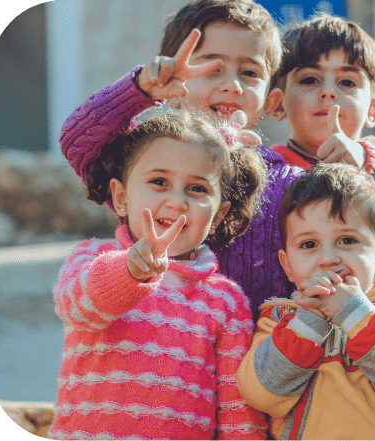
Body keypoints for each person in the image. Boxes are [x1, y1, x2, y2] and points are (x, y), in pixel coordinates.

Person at [60, 0, 301, 318]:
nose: (231, 85)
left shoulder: (289, 183)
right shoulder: (149, 156)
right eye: (213, 69)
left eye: (249, 72)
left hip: (252, 360)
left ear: (271, 101)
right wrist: (143, 89)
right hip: (160, 352)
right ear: (175, 86)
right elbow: (80, 140)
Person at [49, 109, 268, 440]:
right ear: (121, 198)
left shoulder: (226, 302)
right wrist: (131, 271)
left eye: (197, 189)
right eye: (159, 182)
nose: (177, 201)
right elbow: (77, 307)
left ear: (220, 213)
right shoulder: (94, 257)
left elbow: (238, 411)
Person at [236, 163, 375, 440]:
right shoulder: (278, 321)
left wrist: (354, 313)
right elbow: (262, 395)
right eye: (308, 244)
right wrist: (309, 322)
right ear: (287, 265)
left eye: (347, 240)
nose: (328, 259)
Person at [270, 13, 375, 294]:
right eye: (310, 79)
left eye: (347, 82)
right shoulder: (267, 170)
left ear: (374, 110)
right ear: (276, 104)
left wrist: (367, 164)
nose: (327, 92)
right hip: (302, 325)